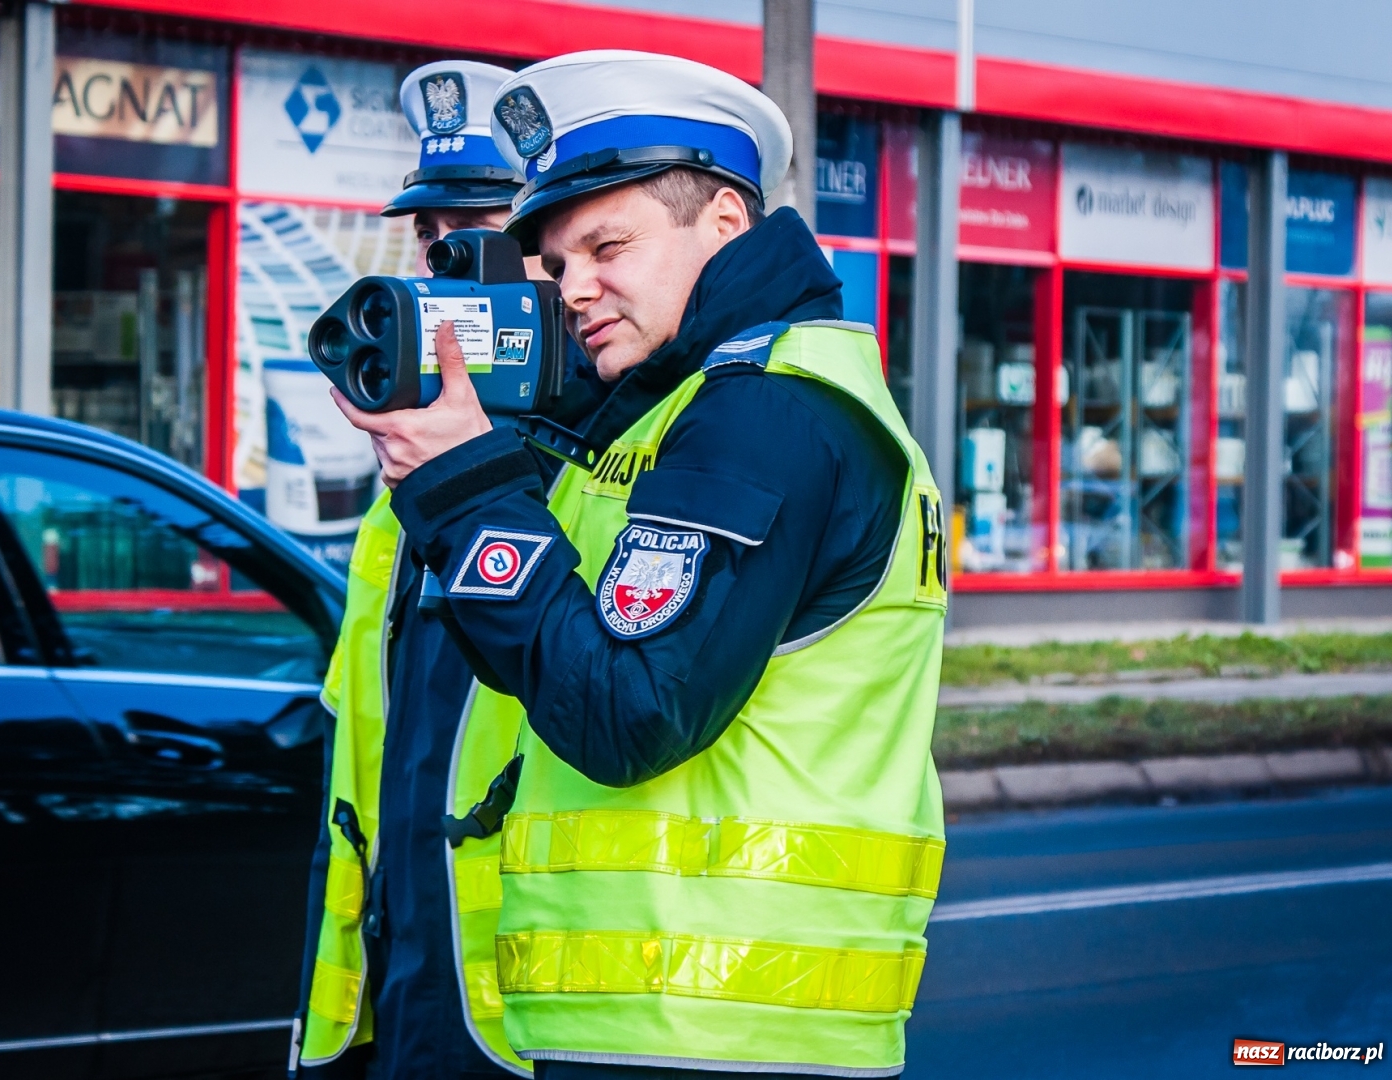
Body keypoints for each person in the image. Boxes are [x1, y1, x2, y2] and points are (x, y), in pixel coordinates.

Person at [331, 50, 948, 1080]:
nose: (576, 289)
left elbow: (629, 712)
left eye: (608, 246)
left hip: (715, 1024)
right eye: (559, 261)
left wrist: (469, 489)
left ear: (723, 221)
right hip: (686, 1022)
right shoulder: (698, 406)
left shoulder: (761, 414)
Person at [290, 59, 538, 1080]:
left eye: (479, 226)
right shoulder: (409, 467)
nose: (444, 254)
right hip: (396, 968)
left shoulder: (584, 446)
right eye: (431, 232)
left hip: (509, 1000)